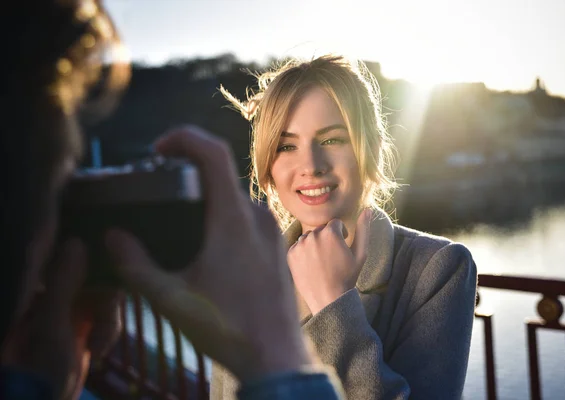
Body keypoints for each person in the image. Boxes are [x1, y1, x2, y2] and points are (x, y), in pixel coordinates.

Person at [0, 1, 344, 399]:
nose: (312, 165)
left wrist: (32, 383)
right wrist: (280, 358)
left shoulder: (430, 267)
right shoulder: (264, 277)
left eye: (334, 139)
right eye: (63, 190)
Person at [215, 55, 479, 399]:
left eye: (331, 140)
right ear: (268, 165)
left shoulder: (439, 267)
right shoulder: (246, 280)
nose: (310, 165)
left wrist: (333, 303)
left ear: (370, 147)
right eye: (286, 145)